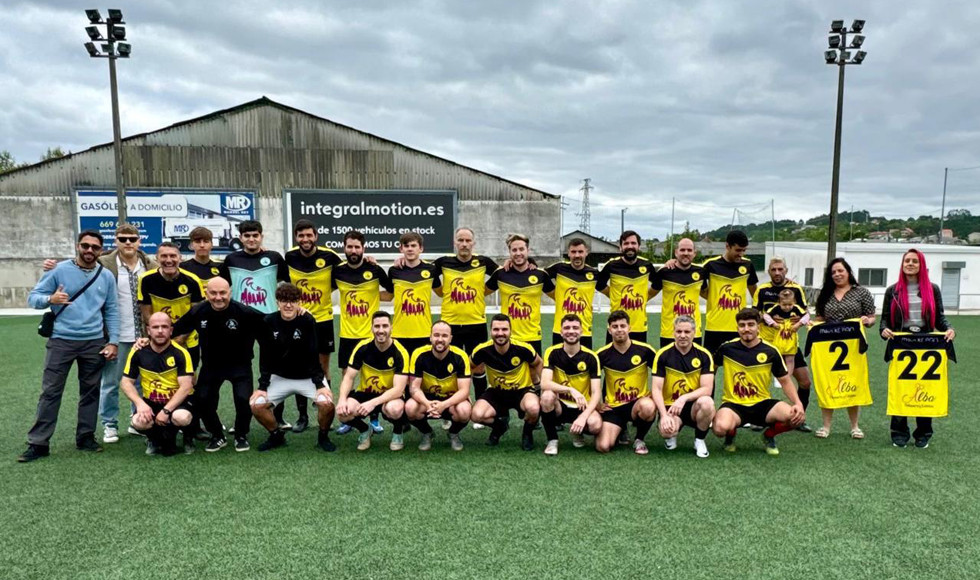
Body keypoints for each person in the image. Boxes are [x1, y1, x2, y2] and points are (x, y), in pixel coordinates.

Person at [43, 224, 156, 444]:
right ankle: (109, 424)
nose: (128, 243)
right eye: (123, 239)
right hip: (114, 334)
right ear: (116, 241)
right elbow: (79, 262)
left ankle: (137, 420)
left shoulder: (150, 265)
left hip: (143, 333)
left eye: (132, 239)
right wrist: (50, 267)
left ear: (139, 240)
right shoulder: (104, 263)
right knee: (111, 382)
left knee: (143, 381)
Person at [19, 230, 119, 462]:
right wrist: (49, 300)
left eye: (95, 247)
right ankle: (38, 443)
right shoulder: (59, 270)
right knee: (51, 392)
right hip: (61, 341)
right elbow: (33, 298)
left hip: (94, 341)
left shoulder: (105, 276)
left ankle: (85, 437)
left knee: (91, 392)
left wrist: (113, 341)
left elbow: (111, 311)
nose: (89, 251)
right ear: (77, 246)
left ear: (100, 250)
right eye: (85, 246)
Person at [173, 277, 265, 452]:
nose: (218, 297)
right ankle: (217, 435)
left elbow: (271, 326)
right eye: (213, 293)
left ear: (230, 293)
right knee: (202, 399)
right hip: (211, 366)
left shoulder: (244, 312)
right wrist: (147, 341)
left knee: (243, 399)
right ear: (206, 293)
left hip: (240, 366)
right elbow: (174, 329)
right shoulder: (198, 311)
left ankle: (241, 434)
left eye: (222, 293)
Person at [218, 219, 295, 429]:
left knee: (275, 367)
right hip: (240, 321)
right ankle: (242, 419)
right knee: (241, 371)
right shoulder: (231, 259)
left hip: (269, 320)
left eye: (255, 235)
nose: (251, 239)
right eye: (247, 236)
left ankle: (277, 416)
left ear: (261, 236)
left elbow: (285, 286)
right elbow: (222, 286)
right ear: (241, 238)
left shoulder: (274, 258)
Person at [880, 248, 955, 448]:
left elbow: (939, 317)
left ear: (921, 265)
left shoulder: (933, 289)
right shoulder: (893, 290)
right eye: (907, 261)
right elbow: (885, 319)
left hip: (926, 345)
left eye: (914, 261)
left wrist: (948, 329)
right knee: (900, 389)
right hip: (901, 344)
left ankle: (923, 433)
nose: (910, 264)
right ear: (902, 265)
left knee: (926, 389)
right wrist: (885, 330)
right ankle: (899, 432)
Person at [249, 284, 336, 452]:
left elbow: (312, 353)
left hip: (307, 378)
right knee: (256, 405)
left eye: (293, 301)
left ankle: (323, 436)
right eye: (284, 301)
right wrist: (262, 386)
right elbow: (265, 355)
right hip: (280, 377)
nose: (288, 305)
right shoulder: (269, 321)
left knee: (327, 404)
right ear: (277, 302)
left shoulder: (307, 320)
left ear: (299, 303)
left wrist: (319, 385)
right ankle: (276, 436)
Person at [712, 308, 805, 455]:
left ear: (758, 327)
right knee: (719, 429)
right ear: (737, 328)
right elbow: (712, 371)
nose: (746, 329)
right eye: (742, 325)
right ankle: (730, 435)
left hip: (763, 404)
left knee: (796, 418)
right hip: (734, 404)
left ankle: (769, 435)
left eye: (751, 324)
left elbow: (785, 381)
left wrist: (798, 404)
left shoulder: (771, 351)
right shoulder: (727, 348)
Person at [284, 219, 343, 433]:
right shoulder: (290, 256)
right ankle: (302, 417)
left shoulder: (329, 256)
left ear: (316, 236)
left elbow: (345, 271)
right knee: (300, 367)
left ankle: (324, 410)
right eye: (301, 235)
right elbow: (283, 281)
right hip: (297, 321)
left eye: (309, 235)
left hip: (323, 320)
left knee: (323, 367)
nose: (305, 239)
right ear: (296, 237)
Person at [333, 230, 394, 435]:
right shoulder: (337, 271)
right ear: (344, 248)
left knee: (372, 376)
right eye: (349, 246)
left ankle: (374, 417)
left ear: (363, 248)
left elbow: (392, 293)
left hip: (372, 334)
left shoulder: (374, 269)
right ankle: (349, 418)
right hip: (348, 333)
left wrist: (373, 298)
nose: (353, 250)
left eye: (357, 247)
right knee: (346, 374)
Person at [432, 227, 499, 403]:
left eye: (468, 241)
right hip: (449, 325)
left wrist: (483, 291)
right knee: (449, 367)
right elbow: (424, 273)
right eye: (460, 240)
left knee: (478, 367)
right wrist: (442, 292)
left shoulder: (483, 262)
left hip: (476, 323)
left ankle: (480, 404)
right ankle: (448, 408)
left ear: (473, 243)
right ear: (455, 243)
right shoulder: (443, 262)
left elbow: (503, 274)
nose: (464, 244)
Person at [814, 257, 876, 439]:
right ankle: (826, 426)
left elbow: (872, 317)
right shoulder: (824, 293)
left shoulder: (861, 292)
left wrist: (867, 320)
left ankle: (855, 426)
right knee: (828, 382)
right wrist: (813, 324)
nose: (837, 274)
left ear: (848, 272)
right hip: (828, 347)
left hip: (853, 346)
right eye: (833, 272)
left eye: (840, 270)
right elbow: (819, 319)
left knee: (852, 382)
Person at [119, 312, 195, 456]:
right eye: (155, 327)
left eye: (164, 327)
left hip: (178, 403)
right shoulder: (138, 351)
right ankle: (153, 440)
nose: (160, 331)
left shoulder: (181, 353)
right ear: (148, 330)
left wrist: (166, 411)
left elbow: (186, 386)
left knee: (181, 417)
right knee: (138, 421)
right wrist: (140, 404)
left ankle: (188, 437)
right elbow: (126, 382)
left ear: (171, 330)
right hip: (151, 401)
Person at [753, 256, 814, 432]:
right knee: (760, 382)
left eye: (780, 269)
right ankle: (758, 418)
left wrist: (796, 324)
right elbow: (756, 314)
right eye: (774, 269)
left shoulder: (795, 289)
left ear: (786, 270)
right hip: (767, 343)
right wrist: (770, 321)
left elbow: (804, 313)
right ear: (769, 271)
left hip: (788, 344)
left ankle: (799, 417)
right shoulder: (762, 290)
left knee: (805, 382)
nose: (777, 272)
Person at [336, 312, 411, 451]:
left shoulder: (400, 352)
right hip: (365, 393)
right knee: (343, 413)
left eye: (385, 326)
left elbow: (399, 389)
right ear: (371, 328)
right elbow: (349, 377)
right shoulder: (362, 347)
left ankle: (397, 432)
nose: (381, 330)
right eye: (377, 326)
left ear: (391, 328)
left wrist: (373, 403)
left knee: (394, 409)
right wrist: (341, 399)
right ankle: (365, 430)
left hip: (390, 396)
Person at [470, 314, 543, 450]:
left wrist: (541, 387)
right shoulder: (482, 350)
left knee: (533, 408)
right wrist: (465, 392)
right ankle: (499, 427)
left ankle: (527, 434)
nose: (500, 333)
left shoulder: (523, 348)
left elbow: (538, 363)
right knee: (476, 415)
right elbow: (469, 368)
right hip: (496, 392)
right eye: (496, 330)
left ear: (510, 331)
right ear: (490, 331)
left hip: (522, 391)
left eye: (504, 329)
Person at [650, 315, 716, 458]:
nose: (682, 336)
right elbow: (656, 389)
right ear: (673, 332)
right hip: (671, 408)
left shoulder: (704, 355)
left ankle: (699, 440)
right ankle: (672, 433)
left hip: (693, 407)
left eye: (687, 332)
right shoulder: (663, 354)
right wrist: (663, 415)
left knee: (708, 403)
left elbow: (707, 389)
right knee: (666, 431)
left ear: (694, 332)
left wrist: (684, 398)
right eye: (679, 332)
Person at [594, 310, 657, 454]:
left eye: (622, 326)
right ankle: (619, 428)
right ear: (609, 330)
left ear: (629, 327)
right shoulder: (602, 354)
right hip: (613, 407)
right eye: (615, 326)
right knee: (603, 446)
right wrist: (597, 404)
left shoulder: (645, 350)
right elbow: (589, 380)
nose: (619, 329)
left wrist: (654, 395)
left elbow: (663, 375)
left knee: (648, 406)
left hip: (637, 404)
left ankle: (639, 439)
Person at [539, 314, 602, 455]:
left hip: (582, 405)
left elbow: (596, 393)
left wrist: (583, 416)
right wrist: (570, 389)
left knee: (596, 426)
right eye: (567, 328)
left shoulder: (591, 357)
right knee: (547, 396)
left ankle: (578, 431)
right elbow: (544, 383)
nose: (571, 331)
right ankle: (552, 440)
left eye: (575, 328)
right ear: (561, 332)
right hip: (559, 404)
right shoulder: (552, 352)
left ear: (582, 331)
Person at [405, 321, 472, 451]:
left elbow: (464, 391)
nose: (440, 340)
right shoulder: (419, 354)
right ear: (430, 337)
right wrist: (427, 403)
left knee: (464, 410)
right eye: (436, 335)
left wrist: (443, 405)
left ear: (451, 338)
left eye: (444, 336)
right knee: (410, 407)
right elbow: (414, 388)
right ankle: (427, 432)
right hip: (426, 399)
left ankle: (453, 433)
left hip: (451, 399)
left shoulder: (460, 356)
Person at [137, 243, 205, 366]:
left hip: (187, 338)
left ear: (180, 258)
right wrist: (162, 336)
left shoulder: (193, 280)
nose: (169, 260)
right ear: (156, 258)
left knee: (189, 378)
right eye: (164, 256)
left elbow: (197, 315)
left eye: (173, 256)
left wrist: (181, 338)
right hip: (159, 338)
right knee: (161, 377)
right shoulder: (146, 279)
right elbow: (146, 314)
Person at [487, 234, 555, 355]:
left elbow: (558, 297)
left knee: (534, 373)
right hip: (507, 337)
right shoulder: (501, 274)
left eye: (521, 249)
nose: (518, 253)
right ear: (509, 252)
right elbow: (480, 293)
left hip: (533, 336)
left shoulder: (540, 275)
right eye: (514, 250)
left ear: (528, 250)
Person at [700, 230, 758, 356]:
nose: (741, 254)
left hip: (740, 326)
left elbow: (755, 293)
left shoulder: (747, 265)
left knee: (739, 367)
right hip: (714, 327)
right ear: (727, 246)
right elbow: (698, 288)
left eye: (744, 250)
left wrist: (758, 311)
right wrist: (713, 298)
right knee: (710, 368)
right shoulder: (710, 265)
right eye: (738, 250)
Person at [545, 238, 605, 349]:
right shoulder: (559, 268)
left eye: (580, 252)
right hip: (561, 330)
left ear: (586, 252)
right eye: (573, 252)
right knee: (559, 365)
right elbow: (537, 276)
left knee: (584, 365)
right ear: (568, 253)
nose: (577, 255)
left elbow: (610, 289)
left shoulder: (594, 273)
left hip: (584, 330)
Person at [598, 230, 654, 343]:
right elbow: (598, 284)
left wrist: (646, 296)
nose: (630, 246)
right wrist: (612, 295)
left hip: (639, 326)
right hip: (616, 325)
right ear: (620, 247)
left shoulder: (647, 265)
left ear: (639, 246)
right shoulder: (611, 266)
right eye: (626, 243)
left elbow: (658, 283)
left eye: (633, 243)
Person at [388, 232, 437, 358]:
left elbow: (443, 292)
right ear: (401, 249)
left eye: (413, 245)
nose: (410, 248)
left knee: (421, 375)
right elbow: (389, 296)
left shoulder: (431, 270)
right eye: (406, 246)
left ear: (421, 248)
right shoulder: (394, 271)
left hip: (424, 332)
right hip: (399, 333)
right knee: (400, 374)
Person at [650, 238, 704, 348]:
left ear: (694, 253)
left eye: (689, 250)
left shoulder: (701, 272)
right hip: (669, 332)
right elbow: (649, 294)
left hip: (694, 332)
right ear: (676, 252)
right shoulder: (664, 272)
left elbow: (707, 293)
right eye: (682, 250)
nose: (686, 253)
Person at [760, 289, 807, 373]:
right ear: (779, 302)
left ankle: (788, 376)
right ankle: (779, 375)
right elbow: (765, 315)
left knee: (790, 358)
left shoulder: (796, 308)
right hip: (779, 336)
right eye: (784, 305)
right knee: (778, 357)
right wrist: (773, 323)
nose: (787, 307)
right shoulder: (776, 308)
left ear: (794, 302)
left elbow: (806, 316)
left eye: (790, 304)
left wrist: (798, 324)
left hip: (791, 337)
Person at [179, 226, 223, 291]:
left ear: (212, 245)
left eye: (206, 241)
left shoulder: (221, 266)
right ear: (191, 245)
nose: (202, 245)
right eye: (197, 242)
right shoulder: (182, 267)